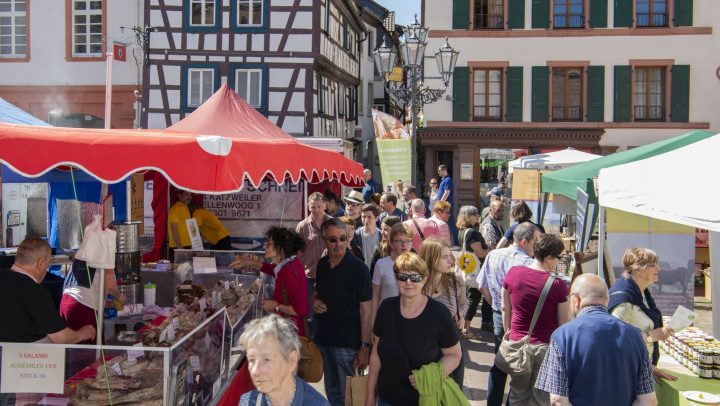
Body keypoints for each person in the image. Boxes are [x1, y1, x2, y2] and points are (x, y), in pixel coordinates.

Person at [535, 274, 657, 406]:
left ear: (576, 299)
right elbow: (648, 400)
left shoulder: (562, 336)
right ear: (607, 300)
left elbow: (558, 400)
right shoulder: (635, 336)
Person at [364, 252, 462, 406]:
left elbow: (454, 355)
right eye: (402, 276)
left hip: (424, 400)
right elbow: (376, 355)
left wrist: (430, 376)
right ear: (396, 278)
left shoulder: (439, 313)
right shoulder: (386, 308)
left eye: (415, 277)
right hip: (386, 399)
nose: (408, 282)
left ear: (424, 279)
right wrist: (370, 396)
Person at [502, 233, 571, 405]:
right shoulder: (557, 285)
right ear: (549, 258)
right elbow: (563, 322)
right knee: (541, 398)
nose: (559, 261)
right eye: (559, 258)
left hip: (517, 343)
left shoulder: (513, 273)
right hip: (545, 348)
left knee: (517, 393)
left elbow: (505, 307)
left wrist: (508, 332)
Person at [478, 222, 540, 406]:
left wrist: (496, 305)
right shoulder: (529, 264)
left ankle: (493, 402)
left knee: (501, 362)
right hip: (523, 319)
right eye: (535, 241)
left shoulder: (494, 255)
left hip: (499, 314)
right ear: (524, 242)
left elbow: (482, 286)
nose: (537, 246)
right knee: (521, 366)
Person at [312, 218, 372, 406]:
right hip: (324, 339)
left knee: (348, 395)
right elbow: (318, 292)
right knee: (331, 390)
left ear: (348, 239)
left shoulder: (359, 269)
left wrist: (365, 347)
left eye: (342, 238)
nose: (338, 244)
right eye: (333, 239)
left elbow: (366, 311)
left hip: (347, 344)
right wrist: (314, 300)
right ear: (324, 241)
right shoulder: (321, 265)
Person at [0, 237, 96, 343]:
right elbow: (61, 338)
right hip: (25, 356)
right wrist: (83, 333)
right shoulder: (35, 291)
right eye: (48, 263)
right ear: (41, 263)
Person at [609, 247, 677, 382]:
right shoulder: (624, 301)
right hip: (627, 375)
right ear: (637, 269)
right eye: (653, 265)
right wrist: (653, 336)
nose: (659, 269)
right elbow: (616, 341)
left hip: (640, 367)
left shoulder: (642, 292)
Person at [230, 227, 309, 336]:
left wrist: (276, 306)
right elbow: (272, 270)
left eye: (269, 244)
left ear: (280, 248)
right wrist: (248, 262)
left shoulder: (288, 272)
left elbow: (301, 310)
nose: (264, 246)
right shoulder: (289, 263)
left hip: (292, 334)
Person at [239, 314, 330, 406]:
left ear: (292, 361)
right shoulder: (247, 402)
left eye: (267, 359)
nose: (256, 371)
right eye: (251, 360)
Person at [419, 237, 468, 386]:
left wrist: (461, 317)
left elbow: (463, 304)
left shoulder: (456, 281)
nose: (451, 261)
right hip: (423, 345)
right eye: (445, 257)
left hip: (450, 344)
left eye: (450, 256)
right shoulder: (416, 283)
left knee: (451, 391)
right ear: (431, 258)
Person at [59, 258, 126, 344]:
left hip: (66, 302)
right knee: (89, 353)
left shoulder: (84, 250)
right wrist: (119, 297)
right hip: (83, 307)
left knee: (72, 351)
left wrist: (104, 301)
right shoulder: (104, 250)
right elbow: (110, 286)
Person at [296, 192, 332, 334]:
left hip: (330, 276)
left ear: (325, 206)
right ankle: (313, 348)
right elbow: (297, 255)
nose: (316, 210)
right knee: (311, 316)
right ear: (308, 207)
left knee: (329, 312)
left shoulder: (333, 224)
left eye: (319, 206)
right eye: (313, 207)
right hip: (310, 277)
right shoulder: (302, 227)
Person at [456, 205, 489, 340]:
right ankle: (466, 329)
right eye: (475, 214)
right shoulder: (473, 233)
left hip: (467, 267)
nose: (478, 217)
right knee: (473, 299)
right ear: (468, 216)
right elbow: (480, 252)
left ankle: (462, 326)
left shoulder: (462, 231)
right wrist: (492, 250)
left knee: (466, 297)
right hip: (475, 269)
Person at [371, 223, 414, 327]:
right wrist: (372, 325)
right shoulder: (381, 264)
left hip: (411, 318)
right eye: (399, 241)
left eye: (408, 241)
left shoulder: (417, 264)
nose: (404, 245)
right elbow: (375, 297)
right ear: (390, 243)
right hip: (387, 318)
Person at [355, 203, 382, 268]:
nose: (366, 220)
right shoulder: (356, 235)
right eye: (363, 217)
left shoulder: (382, 235)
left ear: (376, 218)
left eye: (369, 217)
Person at [437, 164, 457, 244]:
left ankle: (457, 243)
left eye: (439, 171)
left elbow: (447, 192)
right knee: (445, 225)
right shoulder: (444, 180)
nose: (438, 173)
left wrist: (440, 203)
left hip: (446, 207)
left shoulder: (447, 180)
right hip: (444, 207)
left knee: (451, 225)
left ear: (444, 170)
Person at [168, 189, 192, 255]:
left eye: (190, 195)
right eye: (186, 195)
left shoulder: (186, 207)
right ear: (179, 195)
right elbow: (173, 229)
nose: (189, 197)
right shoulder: (175, 208)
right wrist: (179, 247)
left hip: (187, 245)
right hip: (178, 247)